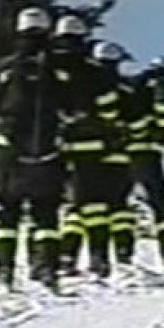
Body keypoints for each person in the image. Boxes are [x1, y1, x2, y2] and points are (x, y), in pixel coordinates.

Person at [0, 7, 80, 291]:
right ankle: (46, 266)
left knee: (7, 213)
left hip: (10, 153)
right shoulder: (57, 68)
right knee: (46, 214)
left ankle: (4, 268)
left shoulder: (6, 66)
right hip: (48, 152)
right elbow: (72, 107)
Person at [52, 16, 128, 279]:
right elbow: (109, 106)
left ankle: (63, 255)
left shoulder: (45, 64)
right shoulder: (90, 69)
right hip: (91, 147)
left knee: (69, 206)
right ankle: (98, 256)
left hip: (53, 145)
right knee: (94, 205)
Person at [125, 55, 164, 272]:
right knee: (160, 203)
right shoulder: (159, 83)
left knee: (119, 202)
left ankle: (123, 252)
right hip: (148, 150)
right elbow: (163, 115)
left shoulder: (133, 82)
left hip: (124, 150)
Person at [89, 41, 139, 269]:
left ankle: (90, 253)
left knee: (88, 207)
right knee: (120, 206)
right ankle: (123, 252)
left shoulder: (83, 83)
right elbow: (136, 120)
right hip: (118, 156)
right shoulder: (124, 88)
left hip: (86, 156)